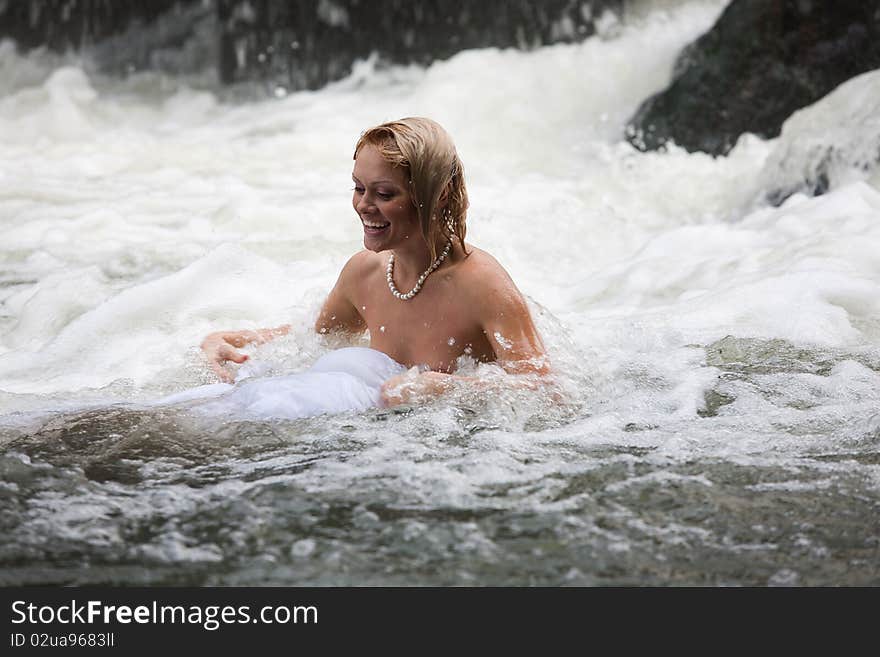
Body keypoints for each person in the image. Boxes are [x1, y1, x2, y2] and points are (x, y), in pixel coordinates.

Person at [201, 117, 549, 408]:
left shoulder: (482, 285)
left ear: (437, 195)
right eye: (358, 188)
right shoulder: (365, 272)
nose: (364, 205)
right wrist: (230, 339)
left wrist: (448, 389)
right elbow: (309, 339)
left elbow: (549, 391)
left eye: (384, 194)